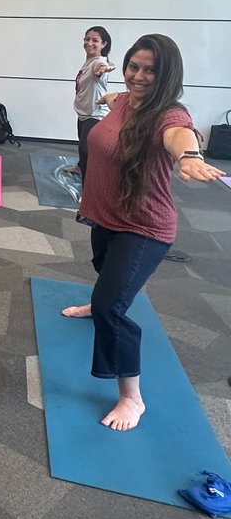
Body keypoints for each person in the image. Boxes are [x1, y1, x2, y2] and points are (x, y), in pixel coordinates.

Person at [59, 35, 225, 430]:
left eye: (150, 70)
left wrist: (189, 156)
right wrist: (103, 97)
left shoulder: (168, 114)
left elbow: (179, 134)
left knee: (110, 308)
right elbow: (115, 97)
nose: (139, 76)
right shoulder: (122, 102)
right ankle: (102, 300)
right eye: (134, 66)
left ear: (166, 75)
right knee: (103, 268)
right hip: (106, 215)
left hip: (145, 226)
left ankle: (132, 399)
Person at [73, 25, 115, 185]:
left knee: (87, 152)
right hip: (84, 113)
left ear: (104, 44)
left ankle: (88, 192)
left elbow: (100, 69)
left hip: (95, 115)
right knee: (82, 146)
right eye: (87, 39)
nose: (89, 43)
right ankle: (79, 168)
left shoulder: (98, 62)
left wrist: (102, 70)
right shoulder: (88, 62)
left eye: (95, 40)